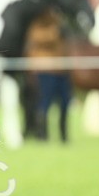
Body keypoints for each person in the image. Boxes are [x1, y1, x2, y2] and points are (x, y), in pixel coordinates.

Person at [23, 8, 72, 142]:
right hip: (45, 71)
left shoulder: (60, 24)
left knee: (65, 104)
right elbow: (39, 38)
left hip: (61, 70)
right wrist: (55, 32)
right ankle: (42, 135)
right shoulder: (39, 25)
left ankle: (64, 136)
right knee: (44, 104)